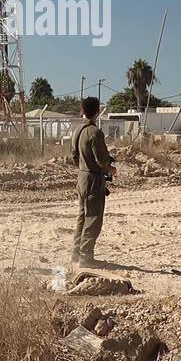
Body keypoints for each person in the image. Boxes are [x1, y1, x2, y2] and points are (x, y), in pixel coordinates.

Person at [72, 96, 115, 266]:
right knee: (93, 219)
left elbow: (74, 156)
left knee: (82, 216)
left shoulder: (77, 131)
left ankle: (76, 254)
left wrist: (84, 167)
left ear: (82, 111)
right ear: (97, 111)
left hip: (82, 177)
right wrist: (110, 169)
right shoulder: (95, 133)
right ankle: (86, 257)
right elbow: (102, 160)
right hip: (93, 179)